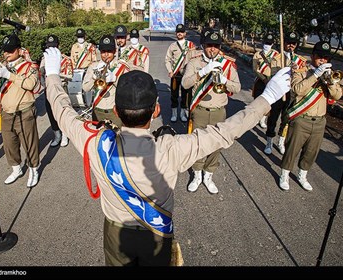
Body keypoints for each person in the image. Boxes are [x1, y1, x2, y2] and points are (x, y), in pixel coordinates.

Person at [44, 46, 290, 266]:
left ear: (116, 111)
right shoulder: (171, 149)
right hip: (157, 234)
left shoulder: (95, 142)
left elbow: (62, 109)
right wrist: (267, 98)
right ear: (156, 110)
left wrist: (52, 75)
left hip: (116, 233)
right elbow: (225, 131)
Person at [181, 29, 241, 194]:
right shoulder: (194, 62)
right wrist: (202, 72)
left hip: (218, 111)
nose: (212, 49)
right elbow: (185, 84)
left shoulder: (227, 64)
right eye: (209, 46)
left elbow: (237, 87)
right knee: (198, 143)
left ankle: (209, 175)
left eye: (216, 46)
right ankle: (197, 174)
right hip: (199, 110)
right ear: (203, 46)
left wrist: (225, 81)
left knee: (216, 144)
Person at [279, 41, 342, 191]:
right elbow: (297, 89)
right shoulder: (301, 71)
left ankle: (302, 175)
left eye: (326, 58)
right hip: (302, 118)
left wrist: (331, 82)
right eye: (320, 56)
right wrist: (315, 75)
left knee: (311, 152)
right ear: (313, 55)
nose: (323, 60)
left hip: (320, 121)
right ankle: (285, 174)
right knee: (292, 149)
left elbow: (338, 95)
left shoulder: (330, 75)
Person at [0, 34, 41, 188]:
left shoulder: (29, 66)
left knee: (29, 143)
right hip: (6, 112)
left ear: (19, 51)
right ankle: (16, 168)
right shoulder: (3, 66)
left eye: (10, 51)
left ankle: (34, 169)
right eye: (5, 51)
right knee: (9, 143)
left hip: (23, 112)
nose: (6, 54)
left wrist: (9, 75)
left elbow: (31, 84)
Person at [264, 31, 307, 155]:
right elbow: (272, 75)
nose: (291, 46)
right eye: (289, 43)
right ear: (285, 43)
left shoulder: (301, 61)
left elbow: (304, 76)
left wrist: (296, 70)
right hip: (278, 93)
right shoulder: (276, 58)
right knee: (273, 118)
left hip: (291, 94)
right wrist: (285, 70)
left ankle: (281, 141)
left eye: (293, 44)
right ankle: (269, 141)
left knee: (286, 119)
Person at [82, 34, 134, 128]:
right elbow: (85, 89)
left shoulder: (121, 67)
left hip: (115, 111)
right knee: (98, 140)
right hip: (97, 110)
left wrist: (114, 79)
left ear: (114, 51)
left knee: (117, 140)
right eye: (103, 51)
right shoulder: (93, 66)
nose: (106, 55)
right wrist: (94, 78)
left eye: (109, 51)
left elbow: (129, 90)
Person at [40, 34, 73, 147]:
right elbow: (41, 74)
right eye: (49, 46)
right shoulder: (45, 58)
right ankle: (57, 134)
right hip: (48, 89)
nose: (51, 49)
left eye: (54, 46)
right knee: (50, 112)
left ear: (58, 46)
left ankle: (64, 134)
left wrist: (56, 74)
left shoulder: (65, 59)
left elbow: (70, 75)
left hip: (61, 87)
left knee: (62, 111)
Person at [165, 23, 196, 122]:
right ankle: (174, 114)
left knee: (185, 95)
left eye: (181, 32)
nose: (180, 33)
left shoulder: (191, 45)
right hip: (175, 74)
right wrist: (170, 71)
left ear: (185, 33)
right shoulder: (172, 46)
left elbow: (195, 59)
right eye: (178, 32)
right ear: (175, 33)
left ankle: (182, 113)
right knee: (174, 95)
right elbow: (167, 59)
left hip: (187, 74)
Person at [252, 32, 279, 129]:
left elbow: (279, 68)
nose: (267, 45)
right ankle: (255, 118)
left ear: (272, 44)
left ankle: (262, 119)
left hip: (272, 81)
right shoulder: (257, 54)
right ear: (263, 42)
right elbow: (255, 69)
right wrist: (264, 79)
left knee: (268, 102)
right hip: (260, 80)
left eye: (269, 43)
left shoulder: (276, 55)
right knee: (258, 99)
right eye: (266, 43)